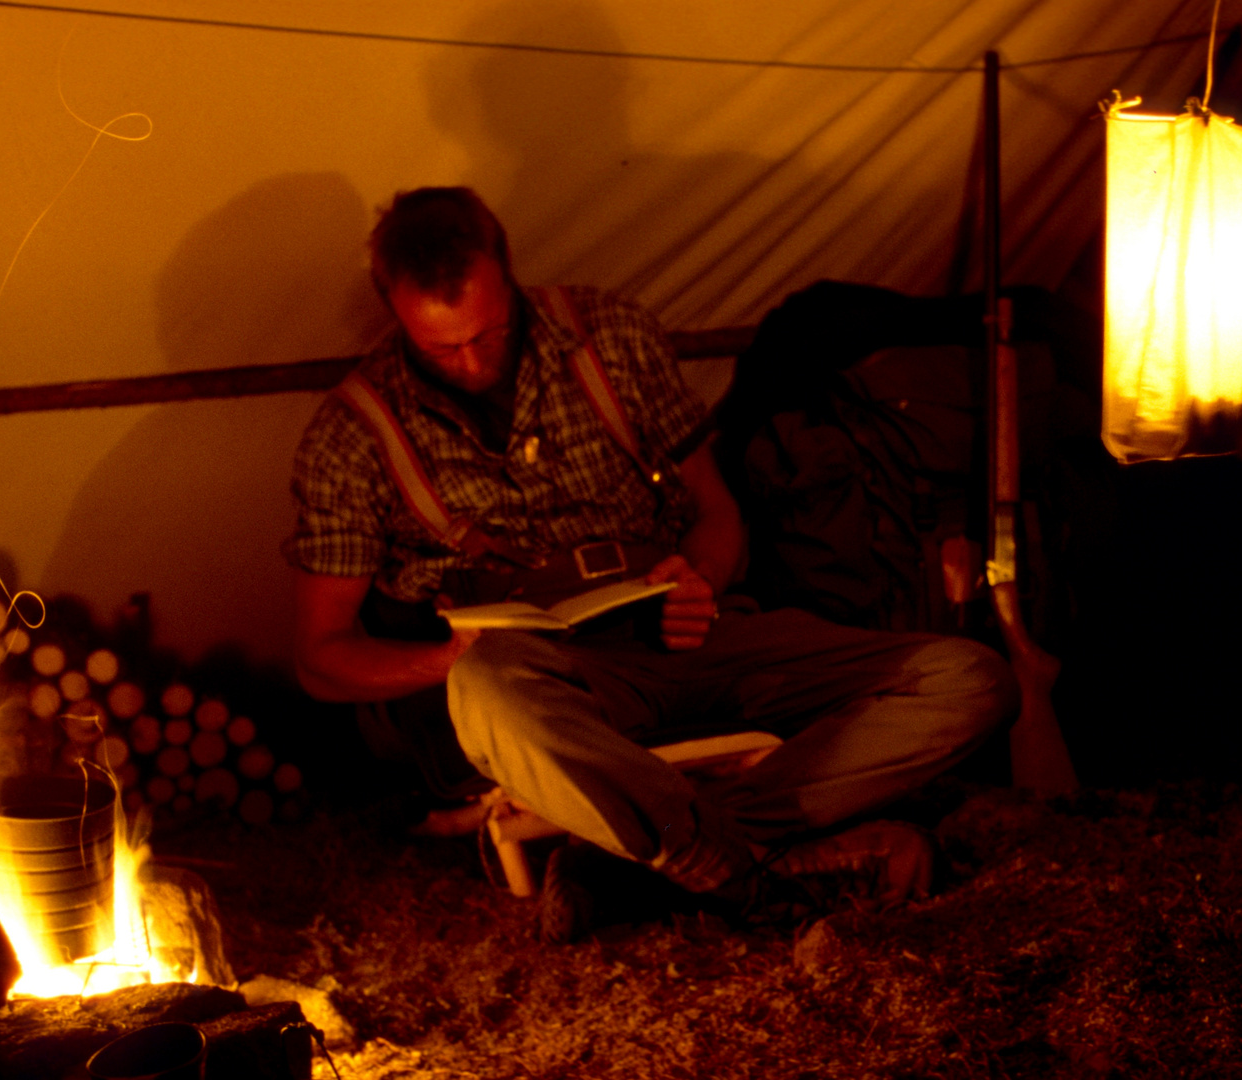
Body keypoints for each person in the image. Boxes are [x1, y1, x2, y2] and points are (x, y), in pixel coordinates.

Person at [285, 186, 1017, 928]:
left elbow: (717, 511)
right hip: (544, 681)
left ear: (508, 274)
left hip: (688, 634)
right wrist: (447, 659)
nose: (472, 361)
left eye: (489, 332)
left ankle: (637, 862)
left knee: (967, 678)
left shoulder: (609, 335)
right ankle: (743, 875)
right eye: (442, 347)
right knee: (486, 691)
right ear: (394, 312)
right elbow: (321, 657)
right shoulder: (353, 434)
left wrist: (699, 574)